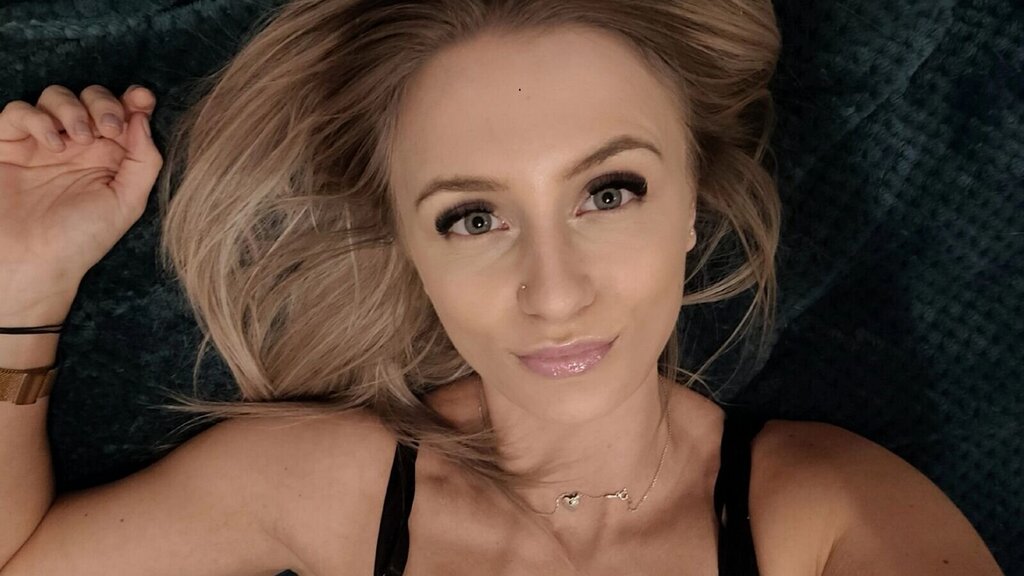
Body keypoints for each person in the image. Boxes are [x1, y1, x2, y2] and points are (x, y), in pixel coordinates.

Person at [0, 1, 1003, 574]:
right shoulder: (331, 488)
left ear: (693, 203)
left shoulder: (826, 519)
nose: (553, 293)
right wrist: (24, 283)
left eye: (608, 193)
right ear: (408, 243)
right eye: (473, 218)